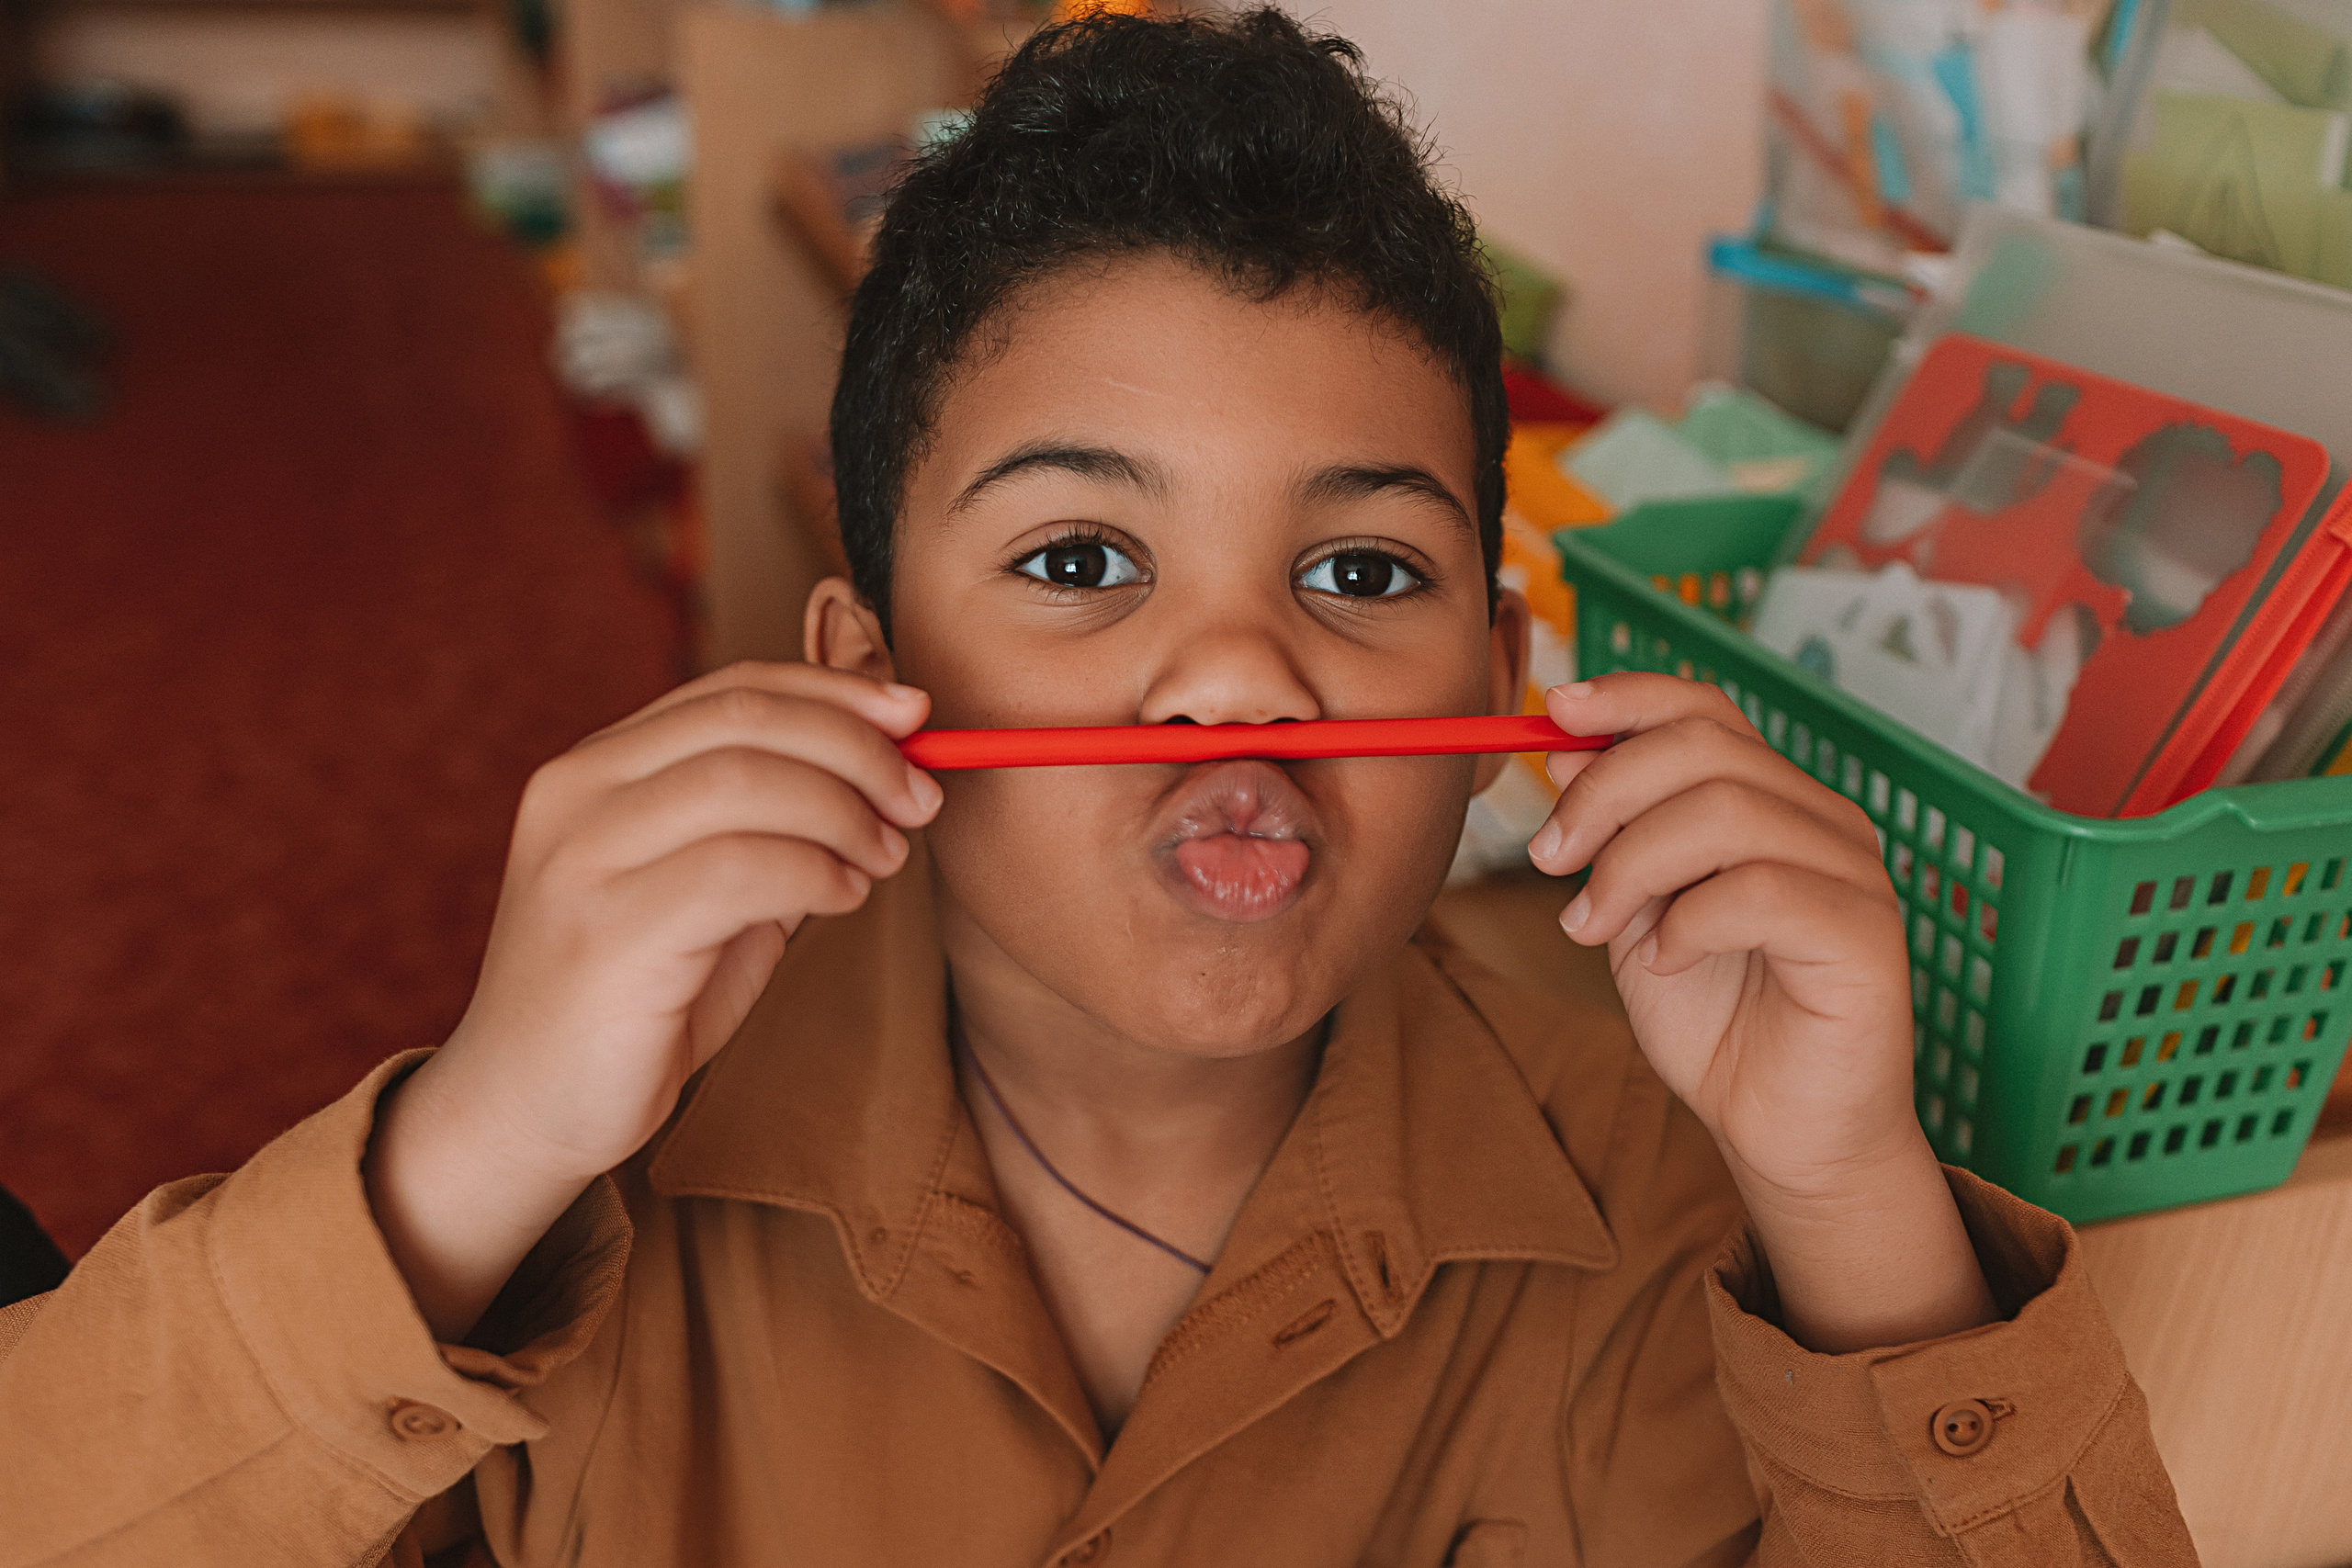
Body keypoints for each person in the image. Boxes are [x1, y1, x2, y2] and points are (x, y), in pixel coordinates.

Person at [0, 12, 2194, 1565]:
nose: (1238, 670)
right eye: (1075, 560)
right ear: (864, 674)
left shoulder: (1679, 1205)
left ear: (1501, 688)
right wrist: (460, 1156)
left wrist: (1853, 1217)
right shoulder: (585, 1157)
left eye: (1358, 568)